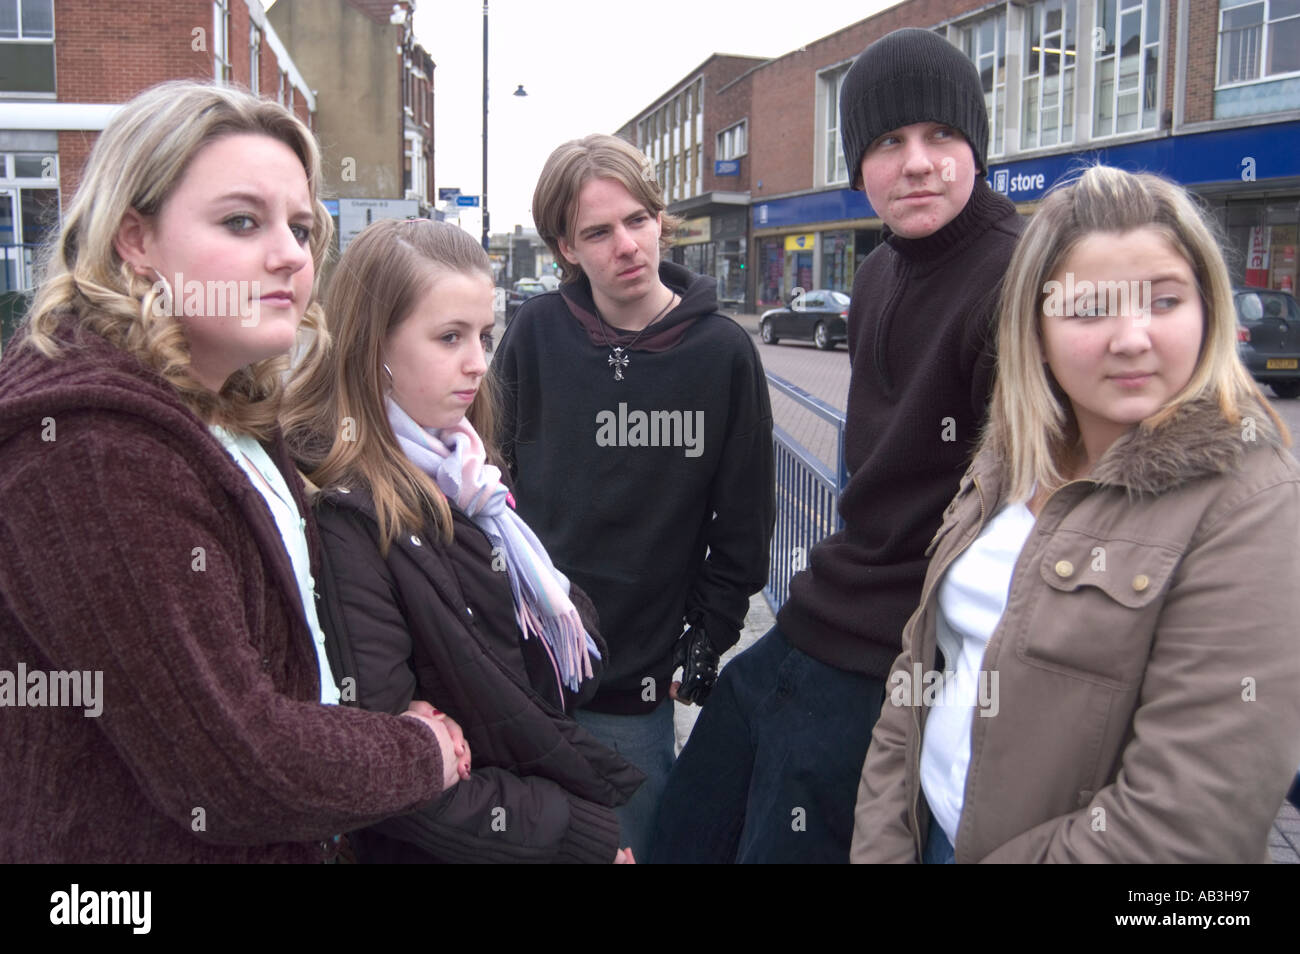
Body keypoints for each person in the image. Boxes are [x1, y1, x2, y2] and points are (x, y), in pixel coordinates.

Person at [0, 82, 469, 863]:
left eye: (302, 226)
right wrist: (421, 753)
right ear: (134, 238)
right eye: (242, 221)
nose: (290, 253)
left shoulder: (228, 409)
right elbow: (230, 762)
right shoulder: (92, 448)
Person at [852, 165, 1300, 863]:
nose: (1131, 339)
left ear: (1209, 308)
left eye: (1164, 300)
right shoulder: (1009, 455)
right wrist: (882, 846)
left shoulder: (1249, 498)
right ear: (1035, 325)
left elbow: (1186, 823)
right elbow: (917, 677)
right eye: (1090, 308)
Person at [650, 28, 1023, 863]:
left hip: (901, 642)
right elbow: (871, 465)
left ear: (977, 148)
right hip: (830, 598)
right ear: (859, 166)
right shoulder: (881, 270)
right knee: (697, 805)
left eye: (941, 137)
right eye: (889, 142)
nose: (918, 162)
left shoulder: (1018, 279)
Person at [282, 218, 644, 863]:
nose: (478, 363)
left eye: (484, 335)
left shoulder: (465, 470)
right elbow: (396, 777)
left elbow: (547, 667)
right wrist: (580, 842)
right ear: (373, 347)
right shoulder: (346, 517)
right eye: (450, 337)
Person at [491, 134, 775, 858]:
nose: (625, 245)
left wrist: (710, 632)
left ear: (659, 221)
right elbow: (491, 478)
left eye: (638, 221)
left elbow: (743, 519)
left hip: (634, 688)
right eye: (598, 231)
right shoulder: (534, 333)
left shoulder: (721, 354)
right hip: (524, 669)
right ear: (565, 247)